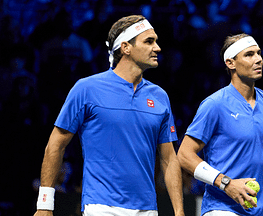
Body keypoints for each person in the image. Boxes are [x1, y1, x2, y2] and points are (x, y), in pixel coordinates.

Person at [34, 15, 184, 216]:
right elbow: (56, 144)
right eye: (149, 41)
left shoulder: (160, 96)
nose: (157, 48)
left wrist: (179, 211)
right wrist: (45, 205)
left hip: (148, 209)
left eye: (155, 41)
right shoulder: (86, 89)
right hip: (101, 207)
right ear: (126, 47)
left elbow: (169, 159)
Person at [177, 33, 263, 216]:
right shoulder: (214, 104)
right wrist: (226, 183)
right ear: (231, 63)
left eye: (258, 53)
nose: (258, 60)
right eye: (249, 55)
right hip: (222, 210)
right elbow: (184, 155)